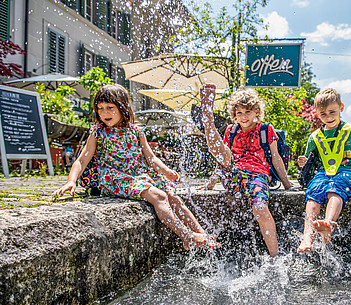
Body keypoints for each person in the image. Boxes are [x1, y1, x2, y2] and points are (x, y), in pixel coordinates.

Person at [54, 84, 219, 250]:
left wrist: (166, 171)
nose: (104, 113)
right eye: (100, 108)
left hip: (138, 175)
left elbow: (151, 158)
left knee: (173, 196)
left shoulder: (136, 131)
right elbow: (82, 160)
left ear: (123, 107)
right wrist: (71, 181)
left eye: (110, 108)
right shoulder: (98, 132)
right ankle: (187, 237)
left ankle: (201, 233)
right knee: (159, 196)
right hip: (115, 177)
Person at [197, 84, 293, 257]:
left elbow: (276, 158)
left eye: (247, 111)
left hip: (257, 176)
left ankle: (275, 256)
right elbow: (223, 162)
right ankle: (208, 119)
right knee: (225, 155)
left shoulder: (265, 130)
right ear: (234, 114)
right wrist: (210, 184)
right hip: (233, 174)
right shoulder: (231, 130)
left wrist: (287, 184)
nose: (243, 116)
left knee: (260, 209)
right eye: (239, 113)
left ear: (256, 111)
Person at [297, 88, 351, 253]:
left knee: (335, 190)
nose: (328, 117)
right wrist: (303, 162)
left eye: (332, 112)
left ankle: (328, 224)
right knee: (313, 195)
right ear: (317, 113)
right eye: (323, 114)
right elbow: (309, 163)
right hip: (322, 173)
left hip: (347, 172)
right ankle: (307, 235)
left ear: (341, 108)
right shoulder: (315, 137)